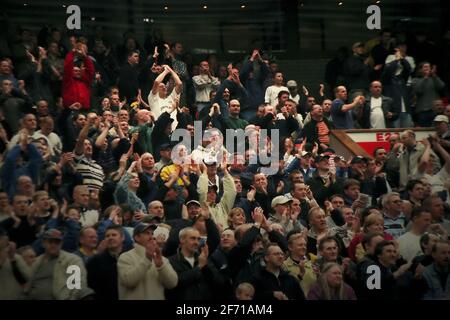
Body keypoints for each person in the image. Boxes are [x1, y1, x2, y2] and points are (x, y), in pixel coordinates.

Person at [24, 229, 93, 300]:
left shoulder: (72, 260)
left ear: (61, 244)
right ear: (44, 243)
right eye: (50, 242)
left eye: (57, 242)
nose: (53, 245)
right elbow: (28, 283)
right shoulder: (37, 262)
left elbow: (78, 285)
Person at [117, 223, 178, 299]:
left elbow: (172, 284)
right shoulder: (125, 257)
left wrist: (161, 266)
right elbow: (128, 281)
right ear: (137, 237)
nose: (151, 237)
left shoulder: (161, 259)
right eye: (147, 233)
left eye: (152, 233)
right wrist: (147, 259)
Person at [165, 227, 224, 300]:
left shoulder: (204, 259)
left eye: (198, 239)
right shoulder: (170, 261)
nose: (196, 242)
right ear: (182, 240)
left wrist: (205, 266)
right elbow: (176, 282)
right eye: (193, 238)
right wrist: (199, 267)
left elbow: (218, 281)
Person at [86, 224, 125, 300]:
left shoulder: (130, 258)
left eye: (114, 235)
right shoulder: (95, 261)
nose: (110, 238)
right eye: (107, 236)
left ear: (122, 238)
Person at [412, 62, 446, 127]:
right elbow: (418, 90)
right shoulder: (415, 80)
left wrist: (434, 75)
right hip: (423, 111)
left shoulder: (433, 78)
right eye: (425, 66)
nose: (428, 68)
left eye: (429, 67)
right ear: (420, 69)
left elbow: (441, 86)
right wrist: (425, 77)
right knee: (425, 130)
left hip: (435, 110)